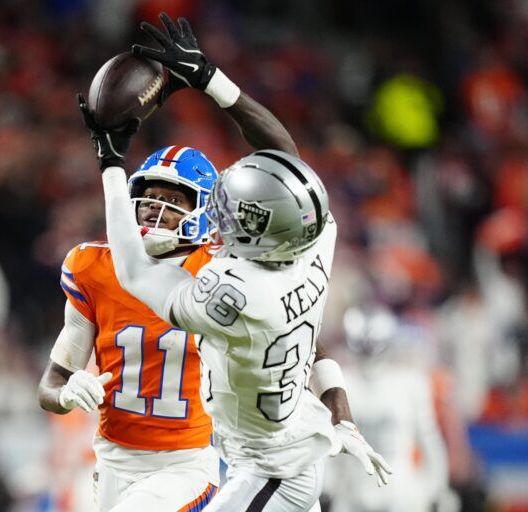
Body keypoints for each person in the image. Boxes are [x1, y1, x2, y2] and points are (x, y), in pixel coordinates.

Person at [78, 13, 392, 511]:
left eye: (230, 213)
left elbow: (135, 270)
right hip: (288, 456)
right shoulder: (314, 239)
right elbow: (285, 154)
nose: (219, 216)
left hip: (271, 471)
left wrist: (110, 163)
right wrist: (208, 78)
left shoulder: (235, 291)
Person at [37, 144, 222, 512]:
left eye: (173, 199)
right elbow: (50, 386)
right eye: (151, 196)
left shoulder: (218, 275)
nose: (156, 206)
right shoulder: (93, 268)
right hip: (111, 462)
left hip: (184, 465)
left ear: (202, 211)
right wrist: (67, 392)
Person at [325, 306, 450, 512]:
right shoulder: (340, 383)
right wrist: (327, 486)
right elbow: (328, 446)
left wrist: (436, 488)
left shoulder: (410, 383)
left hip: (400, 493)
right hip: (352, 491)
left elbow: (430, 440)